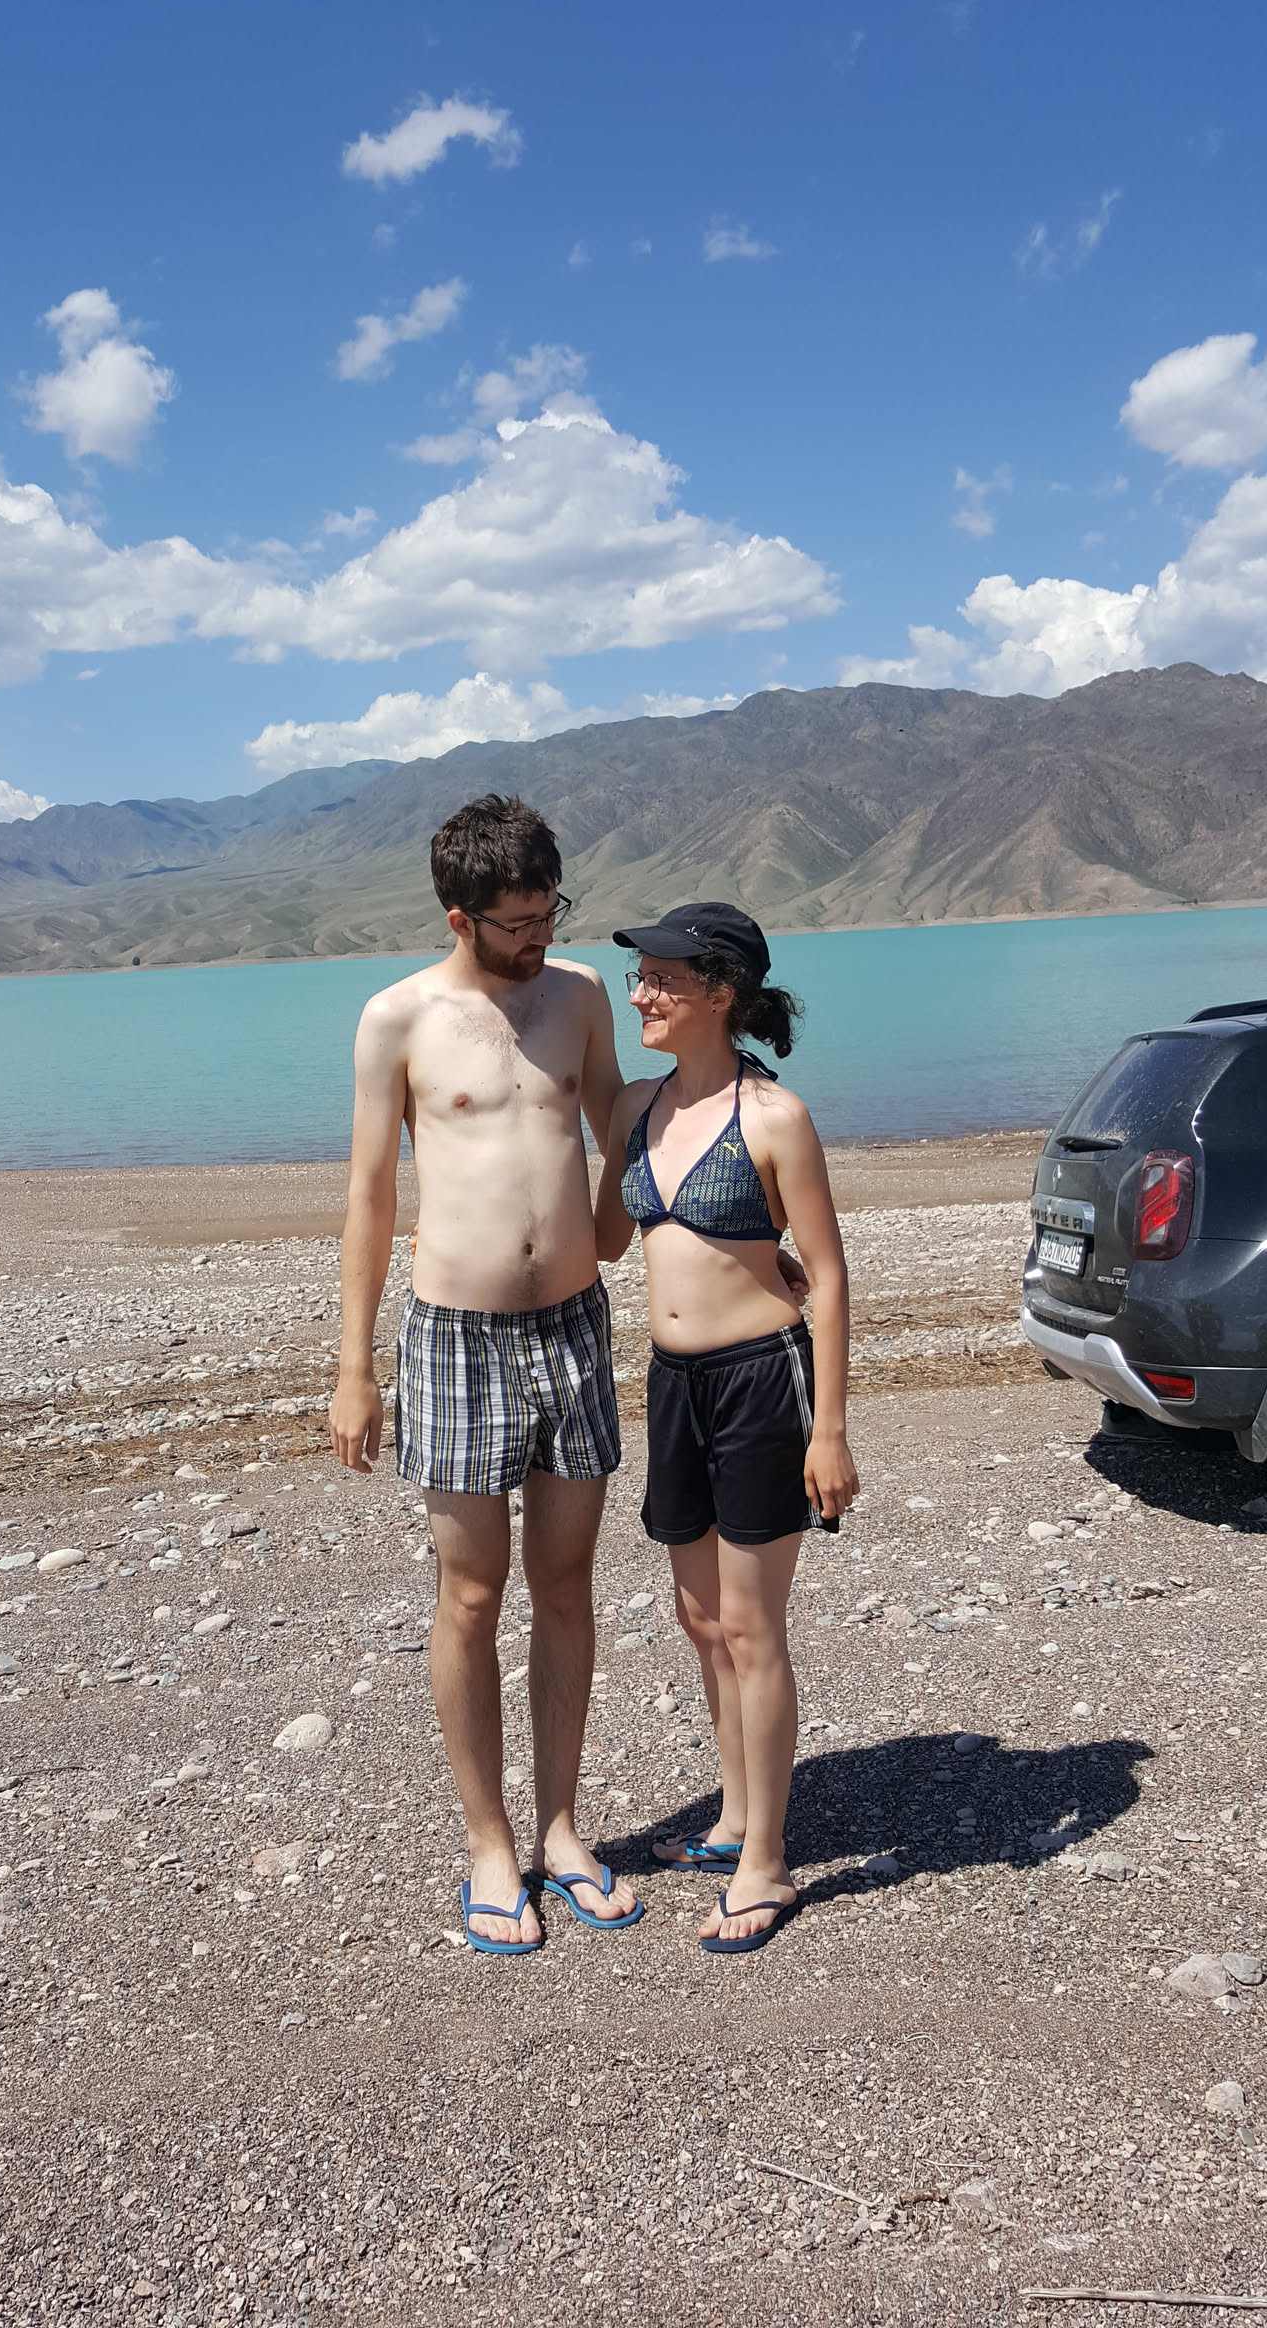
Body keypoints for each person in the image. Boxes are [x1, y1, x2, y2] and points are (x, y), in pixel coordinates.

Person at [328, 794, 642, 1954]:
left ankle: (560, 1829)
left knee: (566, 1583)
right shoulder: (397, 1019)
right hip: (456, 1337)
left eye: (551, 911)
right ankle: (488, 1844)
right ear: (459, 917)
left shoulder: (581, 996)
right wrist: (353, 1367)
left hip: (574, 1326)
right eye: (517, 922)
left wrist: (730, 1231)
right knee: (470, 1594)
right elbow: (369, 1197)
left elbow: (624, 1130)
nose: (540, 936)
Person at [594, 902, 859, 1955]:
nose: (641, 993)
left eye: (661, 977)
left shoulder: (776, 1118)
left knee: (751, 1627)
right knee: (700, 1619)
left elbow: (828, 1276)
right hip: (673, 1386)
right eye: (640, 977)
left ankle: (769, 1865)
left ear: (721, 992)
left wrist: (829, 1432)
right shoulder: (634, 1105)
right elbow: (609, 1237)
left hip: (761, 1384)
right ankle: (737, 1814)